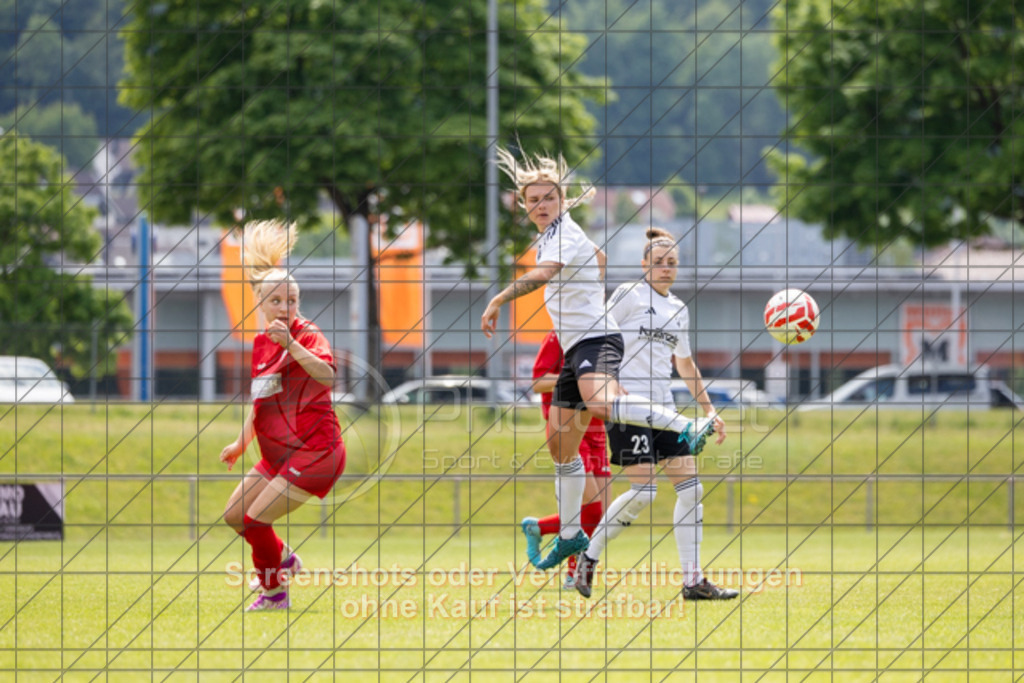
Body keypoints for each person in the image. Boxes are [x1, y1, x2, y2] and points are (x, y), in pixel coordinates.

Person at [481, 149, 717, 570]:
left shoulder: (561, 234)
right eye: (533, 200)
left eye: (548, 198)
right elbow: (600, 258)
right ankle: (570, 535)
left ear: (561, 199)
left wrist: (499, 298)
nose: (540, 205)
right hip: (577, 347)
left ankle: (686, 425)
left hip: (597, 338)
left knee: (601, 404)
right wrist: (587, 283)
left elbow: (543, 275)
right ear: (523, 205)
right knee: (560, 448)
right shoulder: (556, 235)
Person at [572, 228, 737, 601]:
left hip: (664, 409)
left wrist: (709, 410)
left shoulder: (678, 309)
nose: (666, 268)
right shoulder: (630, 294)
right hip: (627, 407)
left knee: (692, 490)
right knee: (644, 492)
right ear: (644, 264)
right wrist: (606, 379)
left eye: (672, 263)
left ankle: (693, 581)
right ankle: (589, 556)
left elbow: (685, 364)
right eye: (659, 262)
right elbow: (596, 333)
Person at [220, 220, 346, 611]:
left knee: (256, 521)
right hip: (279, 453)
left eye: (291, 300)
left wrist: (292, 345)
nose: (285, 308)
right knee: (235, 516)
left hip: (317, 452)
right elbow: (262, 401)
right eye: (276, 301)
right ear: (259, 302)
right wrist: (240, 443)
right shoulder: (262, 342)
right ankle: (284, 559)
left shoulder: (305, 334)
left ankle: (274, 595)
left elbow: (328, 376)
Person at [520, 330, 611, 586]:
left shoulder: (603, 337)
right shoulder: (558, 335)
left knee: (603, 514)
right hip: (569, 426)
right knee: (591, 508)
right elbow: (538, 382)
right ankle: (574, 573)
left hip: (597, 428)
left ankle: (539, 527)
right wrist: (579, 379)